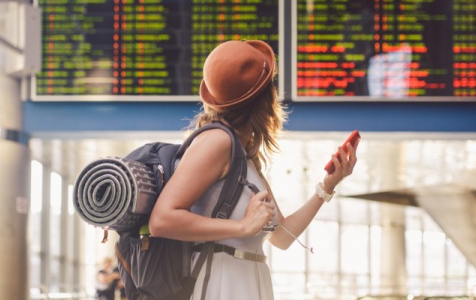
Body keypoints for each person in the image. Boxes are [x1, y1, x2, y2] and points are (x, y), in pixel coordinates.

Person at [148, 40, 358, 299]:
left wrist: (327, 186)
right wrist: (243, 227)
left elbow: (281, 236)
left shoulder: (242, 156)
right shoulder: (218, 142)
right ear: (266, 97)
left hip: (247, 282)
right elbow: (162, 220)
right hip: (222, 285)